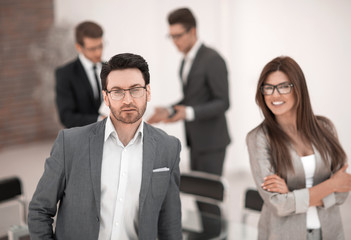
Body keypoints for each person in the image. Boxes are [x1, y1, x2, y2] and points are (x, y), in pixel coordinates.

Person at [28, 53, 182, 240]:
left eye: (135, 89)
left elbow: (170, 224)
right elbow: (40, 211)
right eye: (117, 91)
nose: (127, 100)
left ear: (148, 92)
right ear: (106, 98)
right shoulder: (70, 143)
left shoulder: (168, 147)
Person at [246, 56, 351, 240]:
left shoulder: (325, 128)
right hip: (284, 235)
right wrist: (331, 185)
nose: (275, 95)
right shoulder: (258, 138)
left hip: (330, 232)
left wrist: (292, 196)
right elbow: (278, 205)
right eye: (268, 88)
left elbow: (342, 192)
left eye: (284, 86)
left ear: (299, 88)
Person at [148, 8, 230, 176]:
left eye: (178, 36)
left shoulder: (213, 59)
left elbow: (223, 102)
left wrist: (189, 113)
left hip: (212, 142)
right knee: (200, 197)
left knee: (208, 198)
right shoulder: (185, 61)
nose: (175, 41)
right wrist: (170, 110)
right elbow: (192, 98)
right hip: (195, 140)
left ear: (193, 31)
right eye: (171, 36)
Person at [55, 21, 106, 128]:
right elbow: (66, 117)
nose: (98, 53)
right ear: (79, 47)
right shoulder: (65, 74)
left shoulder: (111, 69)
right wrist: (99, 120)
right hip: (83, 138)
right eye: (92, 49)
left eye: (100, 46)